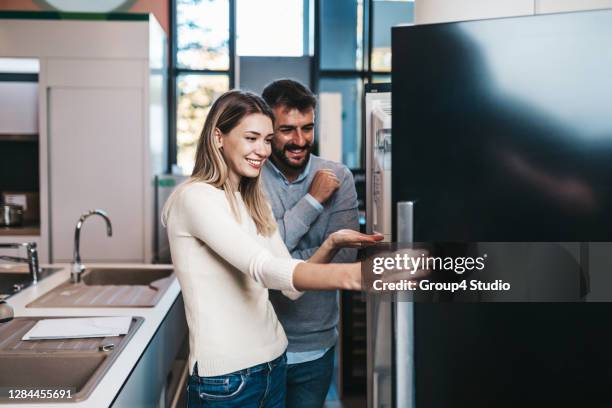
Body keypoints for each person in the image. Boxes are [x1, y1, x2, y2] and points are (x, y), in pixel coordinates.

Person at [161, 90, 383, 408]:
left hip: (273, 363)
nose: (263, 150)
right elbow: (263, 268)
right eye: (251, 138)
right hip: (227, 380)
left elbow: (287, 283)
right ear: (218, 136)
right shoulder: (195, 197)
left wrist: (331, 243)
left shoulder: (252, 199)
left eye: (266, 139)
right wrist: (357, 275)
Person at [261, 79, 358, 407]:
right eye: (287, 129)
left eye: (307, 128)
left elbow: (344, 261)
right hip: (257, 346)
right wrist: (313, 201)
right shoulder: (250, 179)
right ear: (267, 128)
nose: (299, 140)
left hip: (315, 346)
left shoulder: (338, 176)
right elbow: (258, 259)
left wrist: (279, 256)